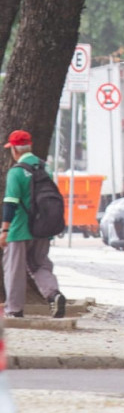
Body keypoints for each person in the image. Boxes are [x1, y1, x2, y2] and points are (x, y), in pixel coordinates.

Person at [1, 130, 66, 319]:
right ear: (30, 146)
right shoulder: (45, 168)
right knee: (40, 265)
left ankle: (14, 309)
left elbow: (11, 202)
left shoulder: (16, 171)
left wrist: (5, 230)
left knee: (14, 269)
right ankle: (53, 294)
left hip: (19, 229)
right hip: (43, 228)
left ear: (14, 149)